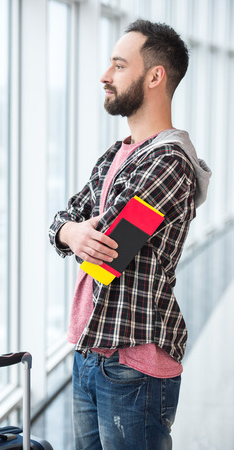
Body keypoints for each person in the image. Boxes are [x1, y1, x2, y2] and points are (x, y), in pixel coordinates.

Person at [49, 19, 211, 450]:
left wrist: (75, 234)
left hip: (133, 363)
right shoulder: (116, 154)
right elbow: (63, 220)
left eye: (119, 65)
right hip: (88, 352)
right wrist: (69, 231)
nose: (105, 75)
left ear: (155, 76)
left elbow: (107, 253)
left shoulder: (170, 163)